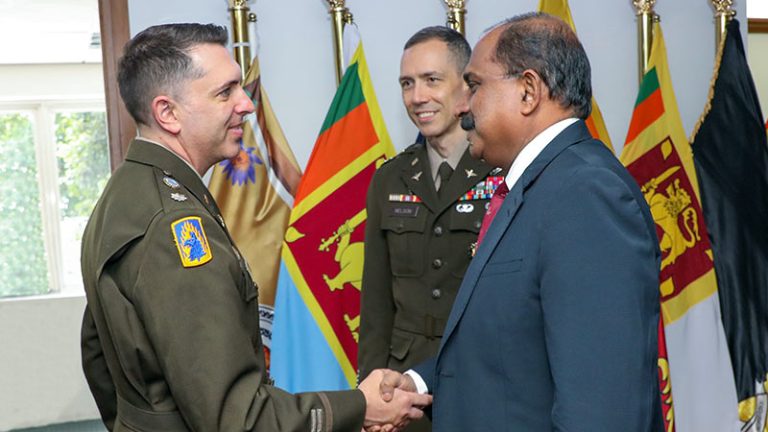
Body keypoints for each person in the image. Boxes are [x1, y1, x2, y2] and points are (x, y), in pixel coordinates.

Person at [80, 23, 430, 432]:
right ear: (167, 113)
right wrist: (358, 406)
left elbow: (98, 357)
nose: (246, 104)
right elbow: (239, 420)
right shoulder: (174, 228)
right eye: (225, 91)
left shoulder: (126, 194)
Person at [377, 13, 664, 431]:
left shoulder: (587, 195)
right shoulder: (538, 184)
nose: (461, 106)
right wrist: (417, 381)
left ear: (528, 91)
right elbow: (512, 345)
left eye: (474, 86)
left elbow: (602, 408)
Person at [358, 28, 500, 430]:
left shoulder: (504, 172)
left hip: (484, 378)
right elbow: (376, 304)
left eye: (432, 80)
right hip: (406, 392)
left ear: (467, 88)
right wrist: (373, 390)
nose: (417, 96)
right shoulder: (389, 179)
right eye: (407, 83)